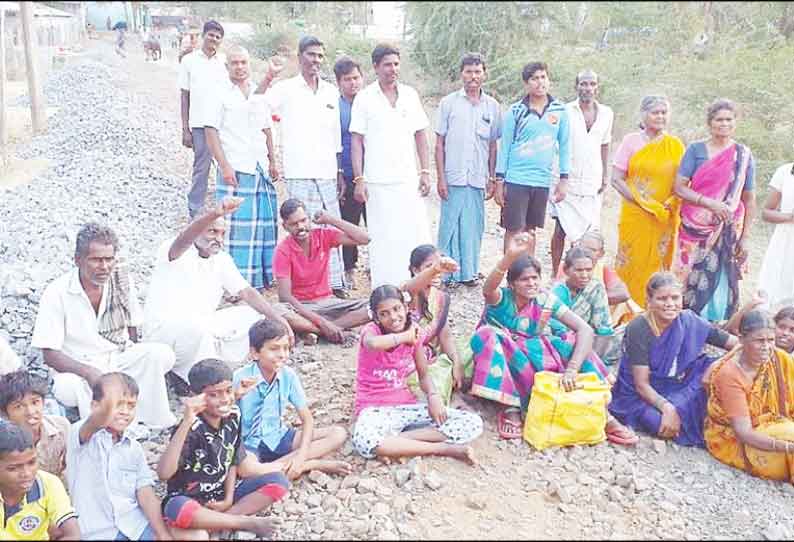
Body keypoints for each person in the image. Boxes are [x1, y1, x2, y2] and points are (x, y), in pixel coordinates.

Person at [469, 233, 636, 444]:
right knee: (488, 334)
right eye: (524, 279)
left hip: (529, 356)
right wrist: (509, 256)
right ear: (512, 284)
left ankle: (601, 410)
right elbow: (488, 288)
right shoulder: (502, 298)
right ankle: (509, 406)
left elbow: (584, 329)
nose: (531, 283)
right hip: (500, 356)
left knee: (569, 339)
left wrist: (572, 368)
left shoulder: (545, 299)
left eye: (535, 278)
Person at [143, 197, 296, 395]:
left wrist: (279, 320)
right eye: (212, 231)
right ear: (197, 228)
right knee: (197, 330)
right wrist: (215, 213)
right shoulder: (174, 250)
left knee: (252, 317)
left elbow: (246, 292)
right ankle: (196, 380)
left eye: (222, 233)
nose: (218, 238)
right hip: (165, 333)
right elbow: (184, 240)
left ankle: (209, 368)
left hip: (203, 326)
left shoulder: (221, 259)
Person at [32, 223, 176, 432]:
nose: (105, 267)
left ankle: (152, 422)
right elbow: (50, 354)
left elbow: (133, 326)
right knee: (67, 388)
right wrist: (89, 372)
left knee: (159, 354)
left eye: (109, 259)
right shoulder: (57, 292)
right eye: (97, 260)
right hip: (80, 367)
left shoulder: (121, 280)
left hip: (117, 356)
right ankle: (103, 426)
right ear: (78, 260)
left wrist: (131, 355)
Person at [157, 359, 289, 538]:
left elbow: (232, 459)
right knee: (176, 508)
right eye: (214, 394)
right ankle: (242, 522)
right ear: (197, 396)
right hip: (189, 499)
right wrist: (186, 421)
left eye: (228, 391)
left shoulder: (233, 415)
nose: (225, 399)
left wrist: (227, 498)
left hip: (219, 495)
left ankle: (219, 521)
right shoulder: (190, 428)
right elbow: (164, 474)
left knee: (279, 482)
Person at [351, 285, 483, 462]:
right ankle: (442, 449)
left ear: (406, 308)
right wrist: (405, 337)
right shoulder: (371, 331)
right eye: (384, 314)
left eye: (397, 309)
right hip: (374, 408)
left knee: (472, 423)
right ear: (376, 318)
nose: (393, 317)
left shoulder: (414, 332)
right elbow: (373, 344)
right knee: (364, 440)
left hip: (405, 407)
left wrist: (433, 396)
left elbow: (423, 374)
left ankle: (395, 445)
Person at [66, 373, 204, 540]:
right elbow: (98, 418)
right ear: (95, 406)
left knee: (197, 536)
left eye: (131, 406)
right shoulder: (82, 436)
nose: (125, 411)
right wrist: (107, 403)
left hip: (134, 525)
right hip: (97, 532)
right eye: (118, 404)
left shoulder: (133, 448)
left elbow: (145, 494)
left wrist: (162, 534)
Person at [609, 272, 738, 447]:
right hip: (640, 394)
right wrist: (667, 407)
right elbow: (641, 385)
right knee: (659, 423)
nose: (670, 304)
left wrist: (715, 366)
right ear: (649, 300)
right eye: (662, 299)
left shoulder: (688, 320)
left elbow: (737, 345)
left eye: (675, 298)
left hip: (678, 383)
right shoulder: (639, 327)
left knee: (724, 368)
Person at [261, 36, 347, 297]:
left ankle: (333, 284)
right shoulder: (286, 89)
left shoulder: (331, 91)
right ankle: (302, 286)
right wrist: (267, 78)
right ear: (300, 57)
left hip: (327, 171)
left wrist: (339, 171)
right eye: (311, 55)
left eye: (320, 56)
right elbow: (258, 106)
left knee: (329, 229)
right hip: (299, 169)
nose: (316, 61)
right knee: (302, 228)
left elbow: (335, 136)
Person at [350, 43, 433, 288]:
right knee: (383, 238)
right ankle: (386, 289)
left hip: (407, 178)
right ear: (376, 67)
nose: (393, 69)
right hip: (377, 181)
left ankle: (419, 284)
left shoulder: (410, 94)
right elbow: (356, 140)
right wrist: (359, 179)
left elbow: (420, 135)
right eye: (387, 64)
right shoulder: (364, 98)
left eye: (396, 64)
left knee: (414, 232)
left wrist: (425, 171)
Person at [234, 319, 352, 480]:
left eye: (286, 348)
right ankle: (311, 465)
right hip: (250, 442)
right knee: (246, 470)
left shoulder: (288, 375)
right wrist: (236, 395)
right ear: (255, 353)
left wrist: (301, 456)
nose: (282, 355)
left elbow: (307, 419)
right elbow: (223, 414)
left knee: (338, 433)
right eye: (274, 349)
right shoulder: (240, 378)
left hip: (279, 436)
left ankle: (282, 468)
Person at [673, 99, 756, 323]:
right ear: (710, 123)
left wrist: (745, 237)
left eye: (729, 119)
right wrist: (710, 203)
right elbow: (679, 187)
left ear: (735, 123)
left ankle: (716, 324)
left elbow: (749, 199)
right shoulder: (695, 150)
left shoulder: (743, 155)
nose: (724, 124)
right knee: (686, 275)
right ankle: (685, 321)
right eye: (719, 119)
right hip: (694, 227)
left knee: (720, 277)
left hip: (728, 228)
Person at [205, 45, 279, 291]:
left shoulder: (258, 93)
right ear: (227, 67)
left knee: (262, 224)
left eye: (243, 62)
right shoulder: (218, 93)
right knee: (235, 227)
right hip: (234, 167)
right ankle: (234, 283)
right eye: (234, 63)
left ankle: (261, 279)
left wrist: (272, 160)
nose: (239, 67)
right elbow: (211, 131)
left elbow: (266, 128)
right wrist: (224, 165)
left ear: (249, 64)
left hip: (258, 166)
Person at [610, 95, 685, 307]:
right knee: (631, 261)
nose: (660, 116)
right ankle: (626, 309)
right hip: (635, 213)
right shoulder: (631, 141)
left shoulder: (675, 145)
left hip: (664, 216)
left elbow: (683, 182)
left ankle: (656, 309)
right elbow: (616, 179)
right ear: (643, 115)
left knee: (659, 264)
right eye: (655, 112)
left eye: (664, 112)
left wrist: (665, 206)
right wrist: (643, 203)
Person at [434, 53, 501, 285]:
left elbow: (493, 146)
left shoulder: (492, 106)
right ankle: (445, 274)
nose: (473, 76)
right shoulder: (448, 103)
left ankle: (468, 273)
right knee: (449, 226)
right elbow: (439, 144)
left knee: (473, 226)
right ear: (461, 74)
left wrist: (492, 178)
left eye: (478, 71)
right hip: (453, 176)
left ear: (485, 73)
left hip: (477, 178)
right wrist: (440, 178)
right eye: (469, 72)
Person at [705, 310, 794, 482]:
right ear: (742, 339)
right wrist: (787, 447)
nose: (767, 347)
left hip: (774, 424)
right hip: (735, 441)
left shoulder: (778, 358)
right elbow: (743, 432)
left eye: (771, 340)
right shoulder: (730, 374)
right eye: (760, 341)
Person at [493, 61, 570, 258]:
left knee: (531, 230)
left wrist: (563, 180)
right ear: (526, 84)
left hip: (541, 181)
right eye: (534, 78)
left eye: (543, 77)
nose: (539, 82)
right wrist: (499, 182)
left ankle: (528, 274)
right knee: (514, 230)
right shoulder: (516, 111)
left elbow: (564, 146)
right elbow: (505, 148)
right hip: (517, 179)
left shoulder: (559, 111)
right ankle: (510, 276)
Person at [273, 199, 371, 345]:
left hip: (329, 303)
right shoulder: (282, 250)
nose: (300, 227)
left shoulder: (323, 236)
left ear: (309, 218)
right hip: (302, 307)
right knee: (277, 311)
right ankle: (335, 330)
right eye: (294, 224)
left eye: (303, 220)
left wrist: (331, 219)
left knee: (374, 305)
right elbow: (285, 297)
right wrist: (322, 323)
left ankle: (319, 331)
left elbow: (365, 238)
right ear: (285, 227)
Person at [550, 70, 613, 273]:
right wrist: (560, 176)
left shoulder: (606, 113)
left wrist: (605, 174)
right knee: (561, 228)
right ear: (576, 86)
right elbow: (554, 141)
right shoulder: (564, 110)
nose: (588, 88)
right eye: (583, 84)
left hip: (591, 180)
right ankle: (554, 273)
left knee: (587, 234)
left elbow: (605, 144)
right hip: (567, 178)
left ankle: (579, 275)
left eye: (592, 84)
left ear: (597, 87)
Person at [401, 245, 467, 405]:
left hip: (432, 354)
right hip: (409, 359)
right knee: (436, 376)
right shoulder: (407, 292)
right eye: (429, 267)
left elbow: (445, 334)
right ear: (415, 270)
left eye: (440, 266)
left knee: (471, 347)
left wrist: (457, 363)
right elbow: (410, 288)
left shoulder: (440, 298)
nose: (437, 272)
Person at [179, 20, 227, 218]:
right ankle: (195, 208)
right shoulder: (189, 61)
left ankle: (225, 205)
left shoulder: (224, 62)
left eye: (218, 37)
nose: (214, 39)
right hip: (200, 124)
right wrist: (185, 129)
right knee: (202, 166)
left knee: (228, 163)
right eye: (211, 35)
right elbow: (184, 95)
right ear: (203, 35)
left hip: (223, 123)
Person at [0, 421, 80, 540]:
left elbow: (72, 534)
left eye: (32, 462)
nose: (26, 473)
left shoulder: (47, 483)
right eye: (13, 468)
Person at [0, 372, 70, 479]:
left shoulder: (61, 427)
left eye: (35, 402)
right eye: (19, 406)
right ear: (4, 414)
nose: (31, 412)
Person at [334, 56, 366, 289]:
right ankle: (349, 268)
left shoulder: (371, 103)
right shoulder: (336, 108)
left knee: (376, 221)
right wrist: (338, 172)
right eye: (347, 79)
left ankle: (378, 264)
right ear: (339, 82)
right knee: (349, 222)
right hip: (347, 172)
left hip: (373, 172)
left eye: (356, 78)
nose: (353, 83)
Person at [550, 246, 614, 359]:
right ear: (566, 270)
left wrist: (595, 360)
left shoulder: (595, 288)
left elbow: (603, 328)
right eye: (579, 270)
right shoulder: (557, 293)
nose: (584, 275)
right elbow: (554, 328)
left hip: (589, 341)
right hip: (561, 344)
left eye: (588, 270)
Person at [758, 160, 794, 308]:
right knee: (774, 293)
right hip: (785, 242)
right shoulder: (785, 172)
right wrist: (789, 218)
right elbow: (766, 212)